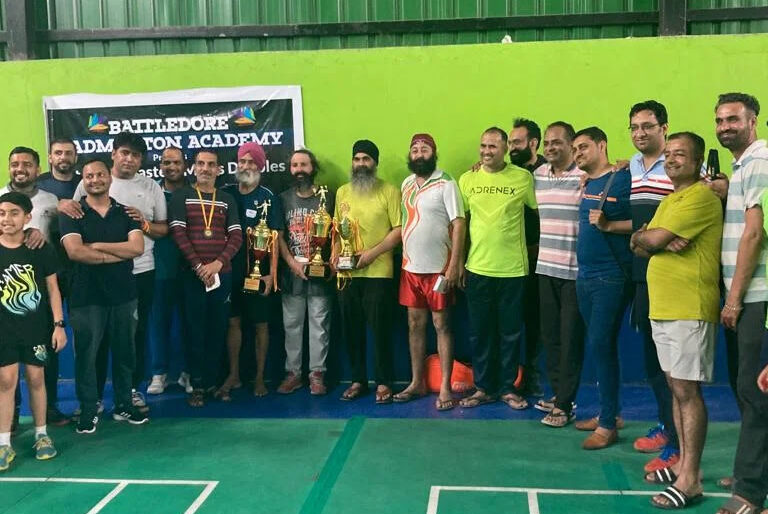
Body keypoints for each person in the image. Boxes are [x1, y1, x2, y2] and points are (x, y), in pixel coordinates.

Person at [630, 132, 722, 509]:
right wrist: (652, 238)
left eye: (680, 154)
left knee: (687, 392)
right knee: (675, 389)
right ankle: (682, 463)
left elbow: (650, 242)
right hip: (664, 307)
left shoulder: (701, 197)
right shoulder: (670, 200)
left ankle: (690, 479)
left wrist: (654, 239)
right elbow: (637, 243)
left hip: (689, 307)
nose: (670, 159)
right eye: (668, 154)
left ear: (698, 162)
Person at [60, 132, 167, 413]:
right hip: (93, 276)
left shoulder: (150, 187)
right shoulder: (88, 185)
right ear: (114, 155)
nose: (129, 159)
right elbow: (72, 215)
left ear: (141, 160)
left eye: (135, 155)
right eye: (124, 153)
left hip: (141, 272)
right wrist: (60, 204)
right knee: (95, 339)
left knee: (134, 336)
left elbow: (161, 230)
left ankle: (130, 392)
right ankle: (93, 397)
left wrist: (143, 225)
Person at [60, 159, 147, 433]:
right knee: (87, 356)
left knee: (125, 352)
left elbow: (137, 248)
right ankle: (88, 409)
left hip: (124, 295)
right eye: (89, 176)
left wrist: (97, 246)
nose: (95, 179)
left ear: (109, 177)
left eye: (100, 174)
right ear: (83, 180)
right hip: (86, 297)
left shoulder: (126, 213)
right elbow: (75, 252)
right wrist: (116, 254)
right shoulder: (72, 213)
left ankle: (124, 405)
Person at [712, 93, 768, 514]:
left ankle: (749, 492)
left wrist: (734, 300)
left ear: (753, 121)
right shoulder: (743, 166)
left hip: (755, 297)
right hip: (745, 295)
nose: (725, 126)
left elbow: (754, 233)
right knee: (747, 389)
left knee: (755, 392)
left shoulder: (760, 159)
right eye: (719, 120)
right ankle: (754, 472)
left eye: (733, 119)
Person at [458, 127, 536, 411]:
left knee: (510, 333)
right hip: (477, 268)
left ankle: (507, 388)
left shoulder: (523, 178)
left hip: (513, 269)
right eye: (483, 146)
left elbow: (539, 213)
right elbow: (461, 225)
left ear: (505, 149)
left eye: (492, 146)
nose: (486, 151)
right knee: (480, 333)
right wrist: (458, 263)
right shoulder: (467, 179)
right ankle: (483, 388)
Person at [625, 100, 680, 472]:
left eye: (647, 126)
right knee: (653, 363)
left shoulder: (677, 165)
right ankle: (667, 426)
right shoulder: (632, 165)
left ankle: (678, 445)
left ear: (664, 127)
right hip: (641, 276)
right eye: (634, 127)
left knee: (673, 369)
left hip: (671, 278)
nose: (640, 132)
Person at [572, 127, 633, 450]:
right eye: (575, 149)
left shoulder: (625, 177)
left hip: (611, 277)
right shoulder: (587, 182)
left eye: (583, 147)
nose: (578, 153)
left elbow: (646, 220)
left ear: (602, 145)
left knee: (600, 342)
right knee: (600, 348)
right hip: (585, 276)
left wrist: (610, 225)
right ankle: (611, 413)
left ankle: (608, 425)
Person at [394, 134, 465, 411]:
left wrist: (455, 264)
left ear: (434, 154)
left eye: (424, 149)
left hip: (439, 270)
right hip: (411, 268)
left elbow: (459, 224)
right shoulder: (406, 184)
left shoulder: (446, 182)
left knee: (442, 325)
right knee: (414, 324)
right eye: (415, 150)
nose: (419, 154)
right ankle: (417, 382)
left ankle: (445, 386)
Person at [169, 149, 242, 407]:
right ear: (193, 168)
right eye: (201, 163)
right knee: (194, 331)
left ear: (219, 169)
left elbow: (236, 235)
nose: (206, 169)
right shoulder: (182, 196)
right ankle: (197, 385)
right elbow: (179, 234)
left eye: (211, 164)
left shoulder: (227, 199)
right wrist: (200, 266)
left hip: (222, 275)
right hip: (192, 276)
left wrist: (218, 264)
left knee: (218, 330)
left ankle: (216, 383)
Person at [0, 192, 66, 470]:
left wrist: (59, 325)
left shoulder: (40, 248)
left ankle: (41, 434)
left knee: (37, 379)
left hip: (36, 328)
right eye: (2, 213)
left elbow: (53, 289)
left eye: (14, 213)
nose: (7, 219)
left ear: (27, 217)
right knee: (6, 381)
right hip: (4, 330)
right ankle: (4, 443)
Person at [335, 140, 401, 404]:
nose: (361, 164)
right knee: (351, 330)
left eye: (366, 159)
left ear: (375, 163)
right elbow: (337, 230)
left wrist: (372, 254)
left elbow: (398, 230)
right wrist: (334, 254)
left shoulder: (389, 191)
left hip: (379, 273)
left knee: (380, 330)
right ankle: (357, 380)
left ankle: (383, 382)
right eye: (357, 159)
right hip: (347, 274)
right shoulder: (342, 192)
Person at [532, 122, 586, 427]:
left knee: (570, 340)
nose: (551, 147)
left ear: (571, 145)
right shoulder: (538, 175)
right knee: (550, 338)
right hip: (545, 269)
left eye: (557, 142)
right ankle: (558, 394)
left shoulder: (584, 175)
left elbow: (612, 172)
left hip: (575, 273)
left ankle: (565, 405)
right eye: (547, 143)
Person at [220, 142, 284, 399]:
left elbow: (275, 238)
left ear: (260, 166)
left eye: (251, 162)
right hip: (229, 270)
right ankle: (234, 374)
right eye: (242, 161)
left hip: (261, 271)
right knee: (232, 322)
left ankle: (259, 377)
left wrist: (273, 274)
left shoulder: (268, 197)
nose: (246, 166)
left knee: (261, 325)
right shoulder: (225, 193)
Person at [278, 149, 334, 395]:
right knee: (291, 326)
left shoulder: (327, 197)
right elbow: (278, 237)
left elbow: (337, 233)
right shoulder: (283, 199)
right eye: (294, 165)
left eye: (304, 164)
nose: (299, 170)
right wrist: (291, 263)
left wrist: (331, 262)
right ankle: (293, 374)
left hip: (321, 275)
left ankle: (317, 374)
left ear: (313, 168)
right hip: (292, 275)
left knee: (319, 325)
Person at [147, 147, 190, 395]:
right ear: (160, 166)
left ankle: (188, 372)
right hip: (160, 267)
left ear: (185, 165)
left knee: (189, 323)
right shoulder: (152, 192)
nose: (171, 167)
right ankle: (159, 373)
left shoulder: (194, 193)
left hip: (190, 268)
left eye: (176, 162)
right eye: (166, 162)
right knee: (158, 323)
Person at [509, 118, 546, 396]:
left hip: (541, 260)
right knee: (510, 321)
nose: (512, 147)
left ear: (533, 143)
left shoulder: (549, 172)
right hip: (509, 262)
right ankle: (509, 379)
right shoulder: (506, 173)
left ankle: (533, 378)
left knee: (537, 322)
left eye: (517, 142)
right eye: (510, 142)